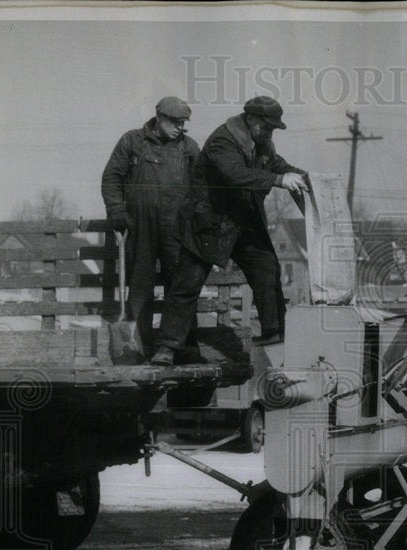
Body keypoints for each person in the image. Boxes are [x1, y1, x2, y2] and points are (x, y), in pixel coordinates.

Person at [152, 96, 308, 365]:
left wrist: (308, 178)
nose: (270, 132)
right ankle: (167, 347)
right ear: (251, 119)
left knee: (267, 268)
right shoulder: (222, 141)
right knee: (187, 284)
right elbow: (235, 175)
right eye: (267, 126)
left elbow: (277, 165)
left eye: (273, 128)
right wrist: (280, 180)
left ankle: (275, 332)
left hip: (242, 223)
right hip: (207, 224)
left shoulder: (261, 143)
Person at [101, 96, 199, 357]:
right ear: (160, 118)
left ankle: (183, 348)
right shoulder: (132, 141)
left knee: (180, 287)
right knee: (140, 286)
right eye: (175, 122)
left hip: (177, 228)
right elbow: (112, 178)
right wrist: (117, 209)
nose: (180, 127)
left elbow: (203, 188)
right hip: (141, 226)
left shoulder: (189, 148)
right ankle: (138, 349)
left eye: (184, 123)